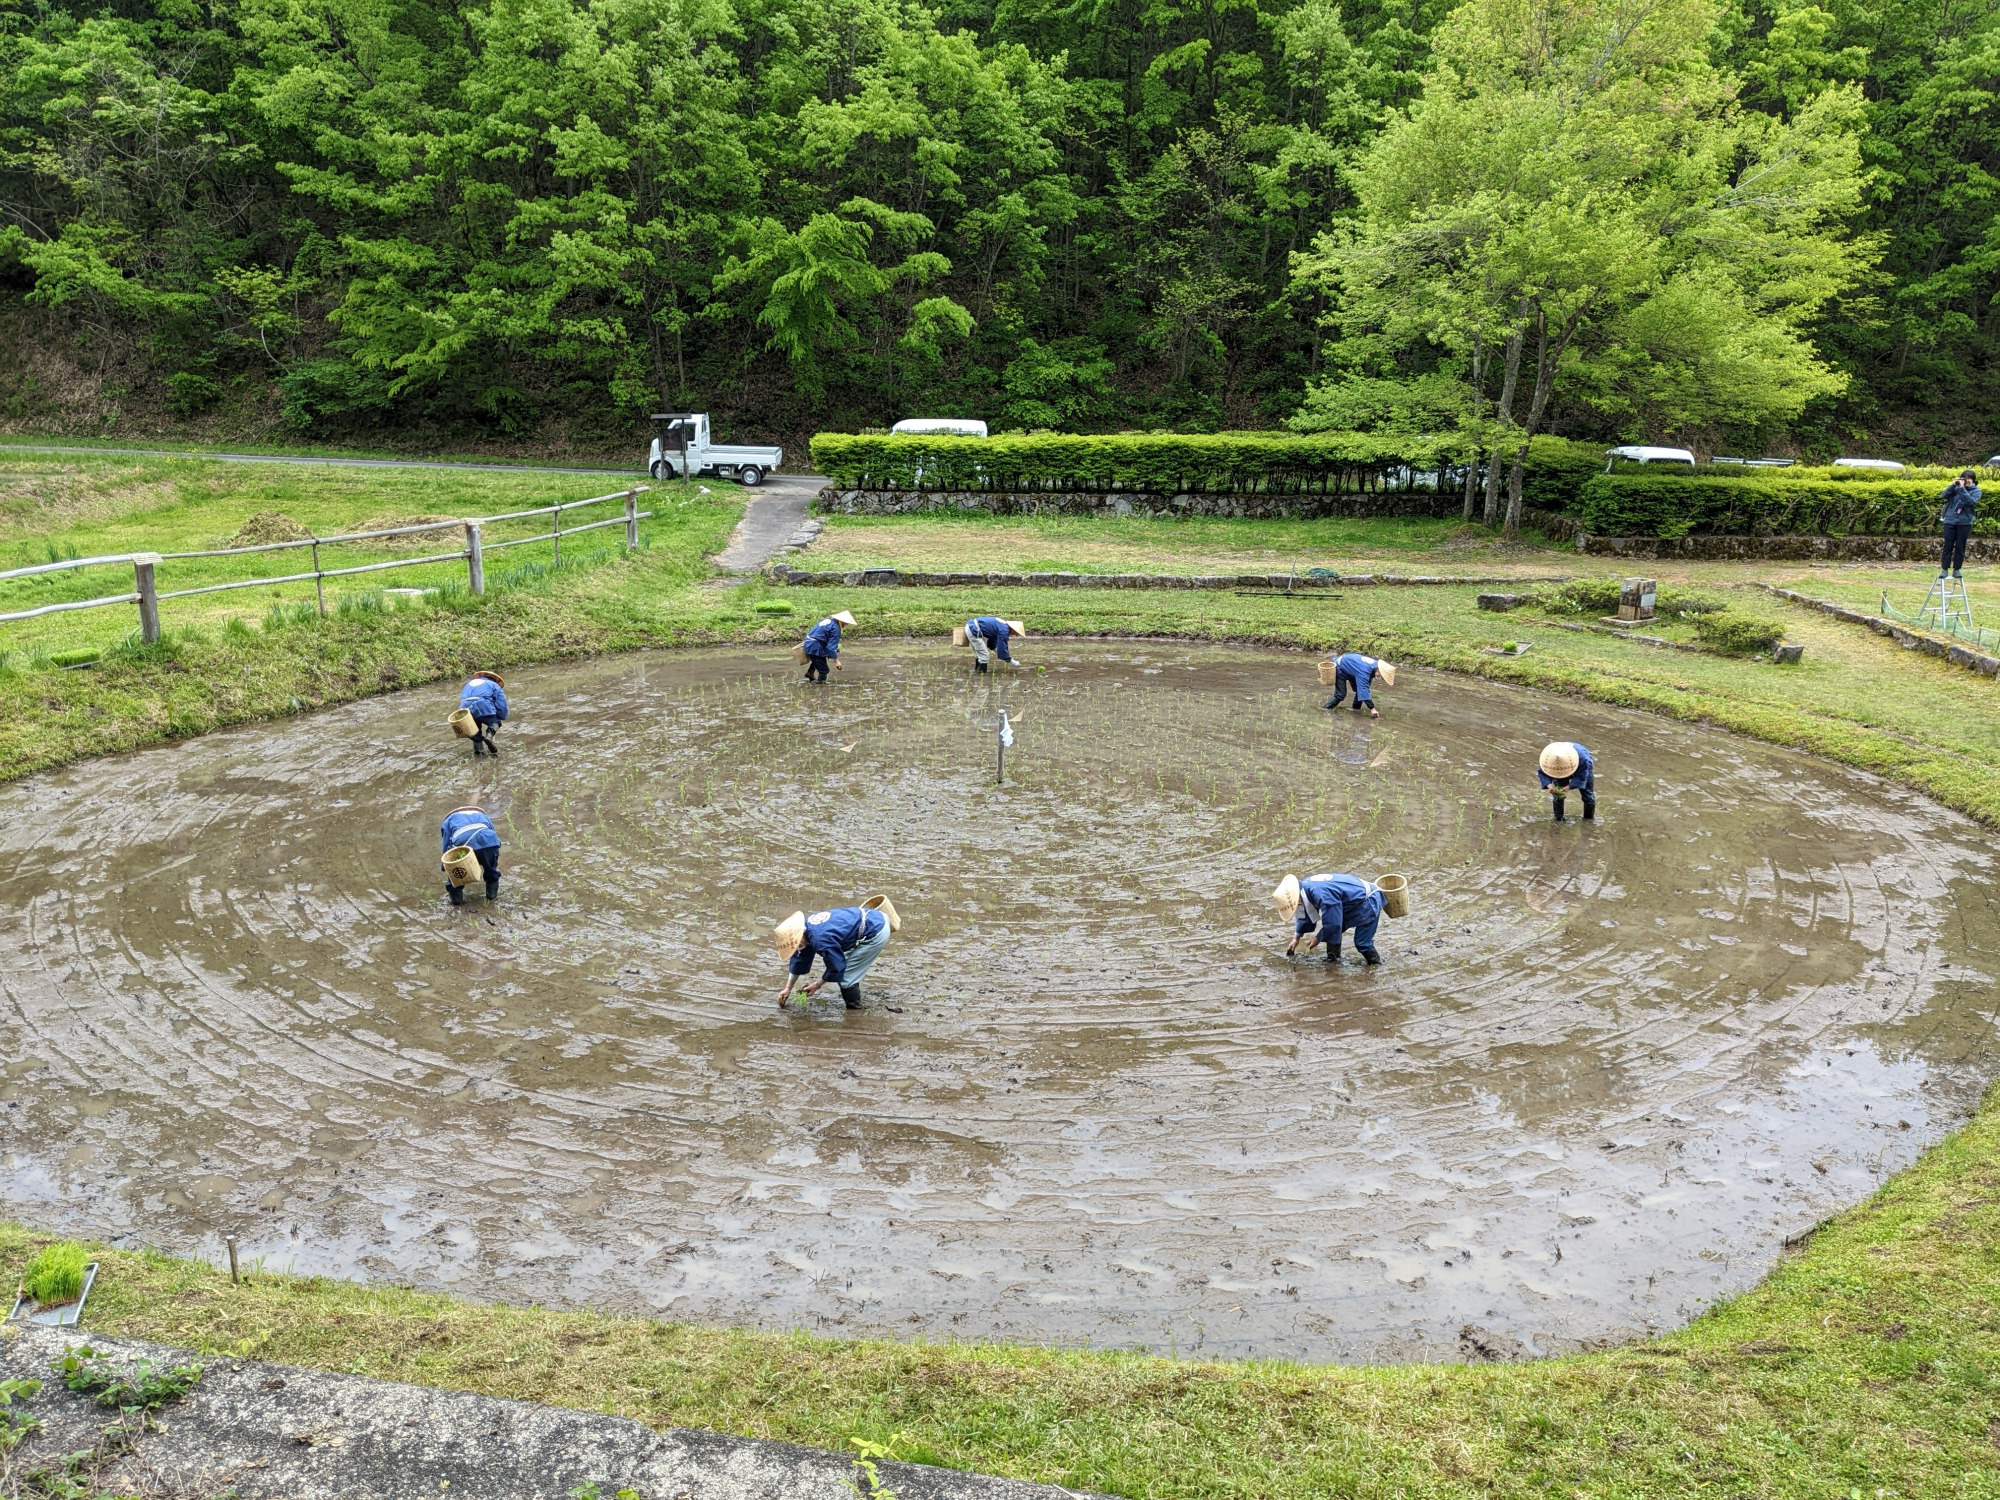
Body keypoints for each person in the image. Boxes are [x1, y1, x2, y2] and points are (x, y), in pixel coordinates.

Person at [775, 899, 897, 1008]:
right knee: (845, 962)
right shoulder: (806, 927)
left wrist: (817, 985)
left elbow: (836, 966)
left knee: (846, 978)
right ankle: (854, 989)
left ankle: (854, 1009)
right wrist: (787, 989)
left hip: (876, 931)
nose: (797, 947)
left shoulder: (820, 939)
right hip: (874, 916)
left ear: (799, 936)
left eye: (796, 944)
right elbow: (799, 960)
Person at [1273, 873, 1385, 966]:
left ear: (1297, 898)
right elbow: (1304, 912)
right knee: (1333, 930)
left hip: (1368, 901)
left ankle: (1376, 966)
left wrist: (1317, 938)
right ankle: (1333, 961)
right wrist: (1296, 937)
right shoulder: (1304, 887)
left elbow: (1333, 924)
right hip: (1353, 901)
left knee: (1362, 942)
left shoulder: (1322, 895)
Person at [440, 805, 502, 906]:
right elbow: (493, 833)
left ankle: (457, 901)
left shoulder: (449, 820)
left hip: (463, 842)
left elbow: (446, 845)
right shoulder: (483, 816)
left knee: (456, 875)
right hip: (488, 841)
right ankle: (491, 897)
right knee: (491, 870)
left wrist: (446, 866)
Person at [1538, 741, 1596, 822]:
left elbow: (1582, 777)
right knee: (1558, 796)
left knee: (1588, 796)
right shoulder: (1548, 759)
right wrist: (1549, 786)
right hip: (1557, 768)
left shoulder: (1584, 759)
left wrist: (1569, 787)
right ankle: (1558, 819)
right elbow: (1542, 772)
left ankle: (1588, 820)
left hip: (1581, 767)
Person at [1939, 469, 1982, 579]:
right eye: (1964, 479)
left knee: (1960, 547)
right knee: (1947, 546)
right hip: (1950, 520)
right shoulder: (1955, 488)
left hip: (1964, 523)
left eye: (1968, 479)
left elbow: (1970, 502)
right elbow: (1943, 495)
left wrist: (1963, 488)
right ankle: (1944, 569)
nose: (1966, 481)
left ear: (1973, 480)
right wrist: (1952, 485)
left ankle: (1957, 569)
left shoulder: (1976, 491)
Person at [1324, 653, 1396, 716]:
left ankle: (1355, 709)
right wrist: (1372, 708)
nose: (1380, 677)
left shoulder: (1374, 666)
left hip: (1352, 668)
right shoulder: (1365, 671)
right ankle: (1326, 708)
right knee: (1341, 694)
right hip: (1340, 667)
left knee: (1360, 691)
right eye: (1380, 676)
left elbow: (1365, 687)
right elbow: (1363, 689)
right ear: (1378, 670)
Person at [458, 671, 508, 756]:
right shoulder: (493, 685)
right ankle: (489, 735)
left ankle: (478, 752)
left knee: (475, 730)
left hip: (465, 710)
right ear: (494, 679)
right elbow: (501, 704)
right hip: (483, 706)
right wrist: (500, 717)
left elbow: (464, 699)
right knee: (495, 722)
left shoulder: (467, 685)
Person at [801, 610, 857, 683]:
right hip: (815, 647)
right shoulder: (836, 629)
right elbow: (831, 647)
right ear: (842, 621)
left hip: (809, 643)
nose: (847, 624)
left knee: (819, 659)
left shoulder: (827, 620)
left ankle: (810, 673)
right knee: (824, 670)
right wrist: (836, 661)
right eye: (846, 622)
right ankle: (820, 684)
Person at [960, 616, 1026, 672]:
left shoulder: (1003, 626)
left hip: (971, 626)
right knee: (984, 655)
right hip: (974, 629)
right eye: (1016, 633)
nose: (1016, 635)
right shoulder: (1004, 631)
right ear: (1013, 629)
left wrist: (996, 650)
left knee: (980, 654)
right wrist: (1010, 660)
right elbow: (1002, 646)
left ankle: (977, 671)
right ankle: (981, 675)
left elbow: (992, 642)